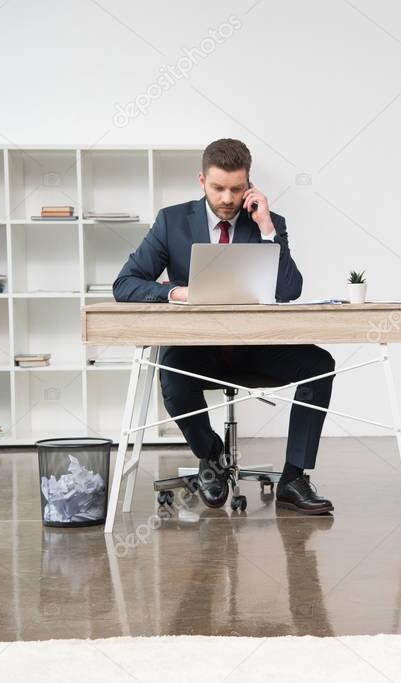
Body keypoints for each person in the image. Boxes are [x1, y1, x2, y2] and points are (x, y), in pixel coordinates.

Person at [114, 138, 335, 515]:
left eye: (236, 189)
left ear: (248, 184)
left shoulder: (267, 223)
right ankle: (211, 455)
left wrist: (266, 227)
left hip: (256, 350)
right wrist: (176, 292)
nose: (227, 198)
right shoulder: (173, 222)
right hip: (198, 349)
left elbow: (289, 290)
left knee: (320, 365)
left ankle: (293, 479)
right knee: (170, 373)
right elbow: (125, 283)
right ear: (202, 180)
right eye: (218, 188)